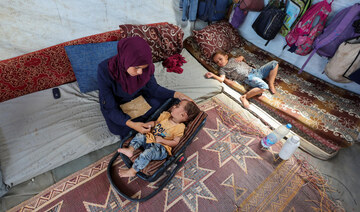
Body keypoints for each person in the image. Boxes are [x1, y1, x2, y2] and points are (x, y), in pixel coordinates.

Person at [97, 36, 192, 139]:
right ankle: (146, 122)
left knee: (173, 100)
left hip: (140, 96)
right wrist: (132, 124)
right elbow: (110, 107)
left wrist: (178, 94)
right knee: (117, 127)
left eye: (143, 68)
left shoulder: (147, 66)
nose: (140, 72)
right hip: (118, 103)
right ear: (126, 61)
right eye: (136, 67)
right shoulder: (105, 70)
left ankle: (147, 123)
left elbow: (153, 88)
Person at [117, 100, 200, 177]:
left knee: (148, 153)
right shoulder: (166, 115)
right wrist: (146, 125)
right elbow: (155, 123)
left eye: (177, 106)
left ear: (183, 115)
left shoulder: (180, 128)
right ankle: (130, 150)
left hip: (161, 149)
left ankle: (133, 170)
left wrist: (162, 140)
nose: (174, 106)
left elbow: (175, 142)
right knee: (140, 135)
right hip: (150, 139)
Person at [205, 50, 279, 108]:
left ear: (226, 57)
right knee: (264, 87)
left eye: (220, 59)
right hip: (249, 77)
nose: (219, 62)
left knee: (274, 63)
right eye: (217, 62)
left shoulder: (233, 59)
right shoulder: (222, 69)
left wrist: (241, 57)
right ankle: (244, 97)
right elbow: (221, 79)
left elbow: (242, 58)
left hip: (256, 71)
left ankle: (271, 83)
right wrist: (213, 75)